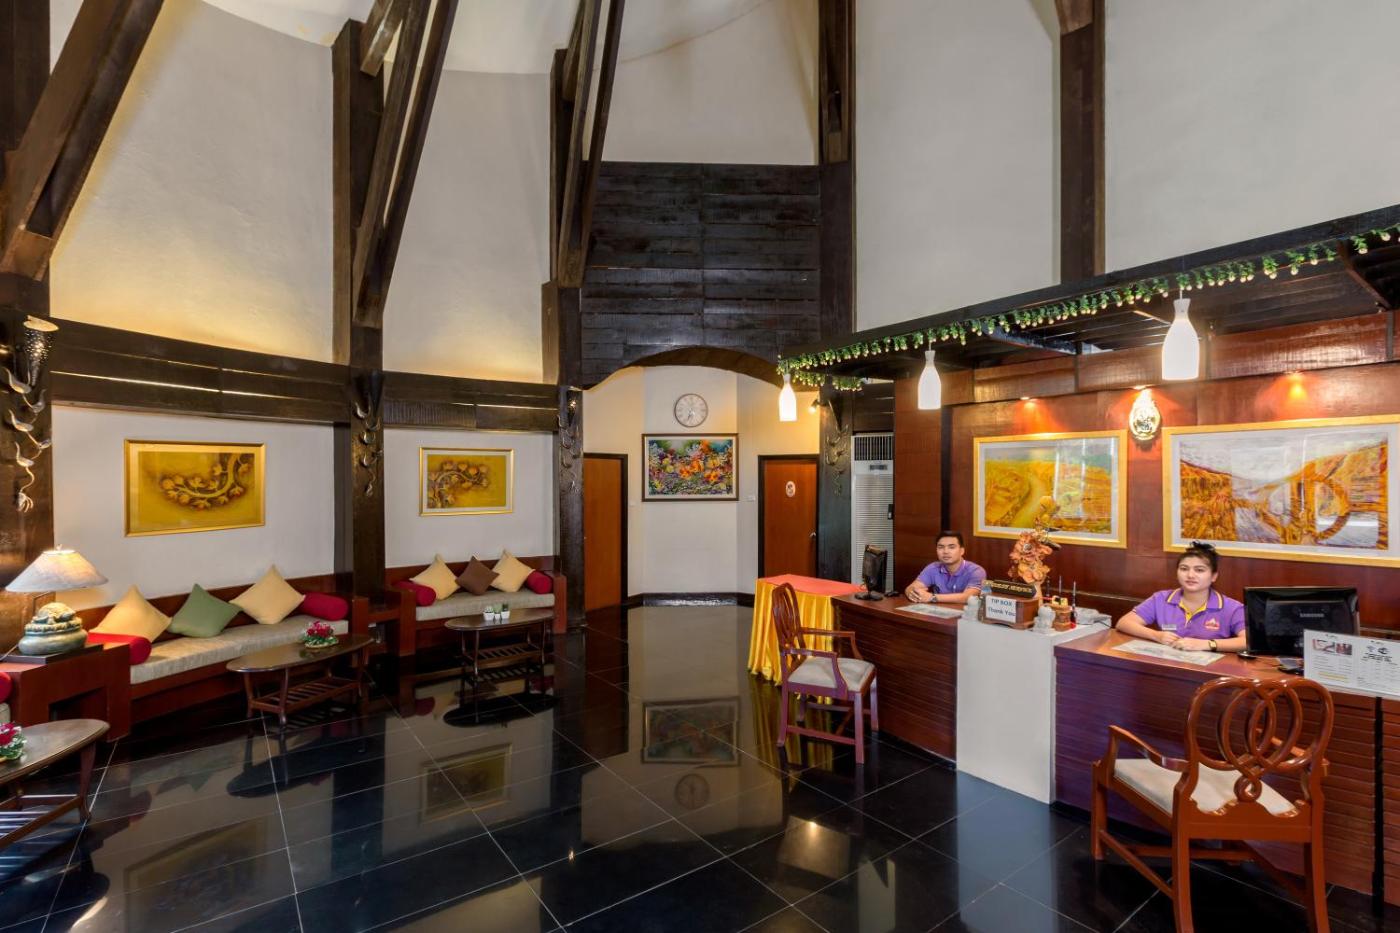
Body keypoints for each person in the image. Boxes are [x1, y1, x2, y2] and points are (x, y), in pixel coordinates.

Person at [1116, 542, 1246, 653]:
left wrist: (1207, 644)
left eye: (1199, 570)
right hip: (1168, 665)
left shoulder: (1232, 608)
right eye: (1184, 569)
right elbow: (1124, 623)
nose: (1190, 575)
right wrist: (1156, 635)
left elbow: (1248, 641)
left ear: (1214, 576)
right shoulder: (1161, 598)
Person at [904, 531, 986, 607]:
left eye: (951, 547)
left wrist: (932, 597)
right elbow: (911, 588)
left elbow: (969, 597)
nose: (945, 551)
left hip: (966, 615)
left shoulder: (976, 571)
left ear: (962, 551)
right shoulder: (933, 568)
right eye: (941, 547)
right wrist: (913, 593)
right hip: (938, 614)